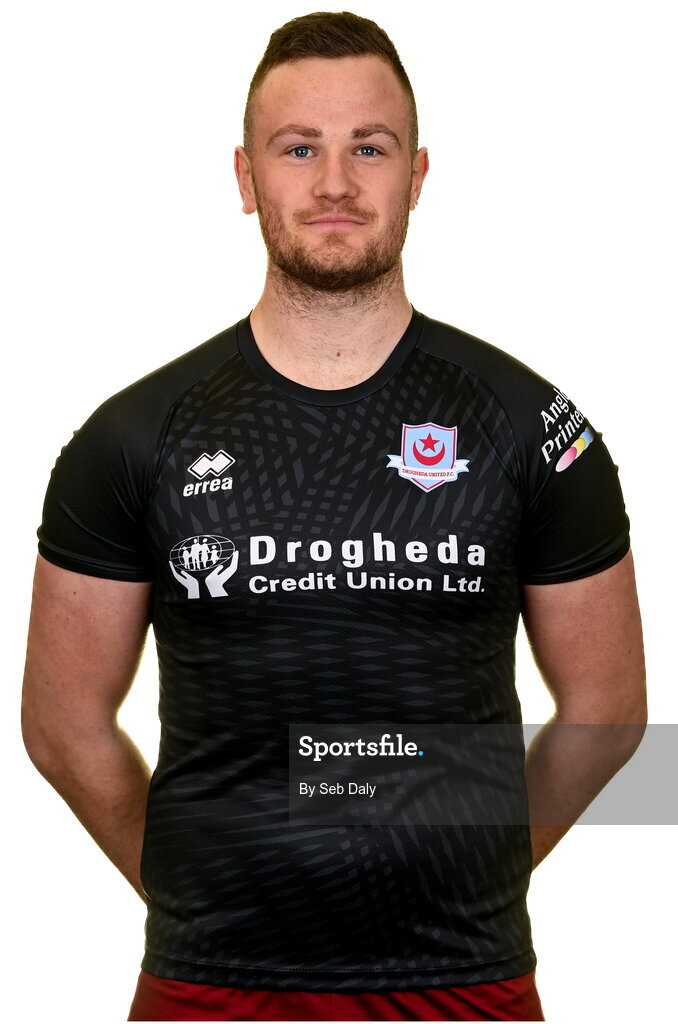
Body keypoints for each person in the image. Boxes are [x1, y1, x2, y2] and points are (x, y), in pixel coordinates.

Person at [21, 10, 647, 1023]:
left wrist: (477, 866)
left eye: (371, 148)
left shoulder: (539, 426)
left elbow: (612, 713)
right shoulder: (131, 437)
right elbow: (60, 726)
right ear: (244, 176)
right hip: (209, 985)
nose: (335, 185)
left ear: (419, 173)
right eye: (299, 148)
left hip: (463, 979)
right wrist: (202, 893)